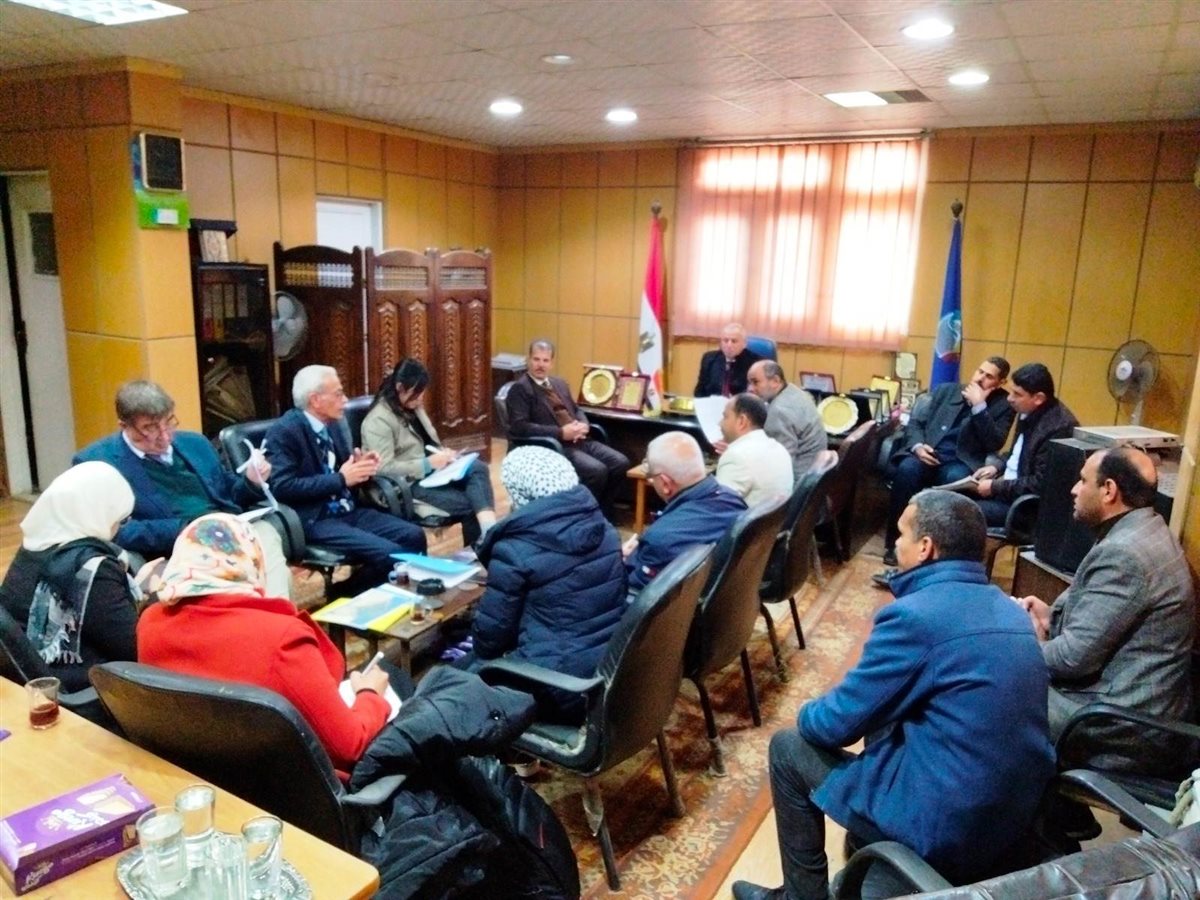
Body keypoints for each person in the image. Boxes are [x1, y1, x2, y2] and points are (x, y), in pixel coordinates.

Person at [733, 491, 1054, 900]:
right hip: (1011, 818)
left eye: (901, 534)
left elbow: (833, 725)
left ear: (925, 547)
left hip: (949, 827)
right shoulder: (1011, 610)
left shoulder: (916, 617)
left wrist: (805, 710)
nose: (895, 543)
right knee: (891, 715)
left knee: (787, 748)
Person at [137, 513, 410, 773]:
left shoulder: (149, 622)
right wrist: (370, 696)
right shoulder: (280, 637)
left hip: (209, 771)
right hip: (301, 782)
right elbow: (349, 747)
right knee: (398, 684)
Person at [1018, 447, 1195, 776]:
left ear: (1109, 490)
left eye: (1083, 480)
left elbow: (1071, 659)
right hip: (1125, 705)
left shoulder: (1125, 554)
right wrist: (1050, 617)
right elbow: (1103, 625)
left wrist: (1015, 643)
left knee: (994, 690)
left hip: (1119, 727)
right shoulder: (1143, 529)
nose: (1074, 489)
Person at [74, 380, 292, 597]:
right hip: (177, 547)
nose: (165, 436)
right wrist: (185, 528)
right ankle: (272, 613)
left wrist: (252, 481)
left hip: (228, 529)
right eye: (150, 428)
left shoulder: (196, 443)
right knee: (251, 577)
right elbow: (111, 531)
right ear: (125, 426)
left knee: (266, 533)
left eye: (168, 422)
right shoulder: (98, 462)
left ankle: (275, 613)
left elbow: (230, 494)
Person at [467, 446, 627, 723]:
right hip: (614, 670)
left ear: (517, 493)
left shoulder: (515, 548)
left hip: (556, 688)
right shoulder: (606, 529)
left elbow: (489, 641)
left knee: (449, 682)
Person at [266, 365, 426, 594]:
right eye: (339, 394)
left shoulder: (334, 425)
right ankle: (345, 596)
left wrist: (361, 467)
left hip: (348, 510)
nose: (345, 400)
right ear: (315, 400)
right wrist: (341, 478)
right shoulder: (284, 431)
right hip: (315, 519)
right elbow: (283, 487)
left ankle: (364, 594)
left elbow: (343, 474)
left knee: (414, 536)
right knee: (390, 555)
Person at [0, 461, 140, 692]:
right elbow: (136, 647)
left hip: (35, 678)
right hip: (86, 686)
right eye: (121, 519)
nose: (118, 527)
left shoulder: (35, 544)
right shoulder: (90, 568)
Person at [879, 357, 1014, 566]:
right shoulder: (946, 390)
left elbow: (994, 442)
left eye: (989, 376)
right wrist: (918, 446)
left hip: (960, 461)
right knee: (907, 470)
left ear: (1000, 382)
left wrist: (979, 407)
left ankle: (939, 551)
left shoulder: (1004, 405)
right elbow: (916, 424)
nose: (980, 378)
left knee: (955, 478)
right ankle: (894, 545)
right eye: (980, 371)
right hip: (927, 452)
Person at [360, 358, 497, 547]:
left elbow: (427, 441)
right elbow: (383, 468)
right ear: (400, 388)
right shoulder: (378, 420)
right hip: (407, 485)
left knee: (478, 467)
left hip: (433, 474)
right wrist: (427, 464)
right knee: (472, 502)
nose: (420, 399)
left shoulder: (412, 405)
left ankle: (489, 531)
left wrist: (442, 454)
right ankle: (486, 545)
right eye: (416, 394)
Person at [504, 339, 630, 516]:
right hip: (554, 446)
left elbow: (576, 410)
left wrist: (584, 425)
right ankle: (580, 516)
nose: (540, 365)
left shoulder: (559, 383)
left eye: (545, 360)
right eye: (536, 359)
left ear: (552, 363)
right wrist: (560, 433)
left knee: (620, 462)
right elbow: (519, 427)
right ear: (528, 360)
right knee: (596, 471)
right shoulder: (520, 389)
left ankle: (602, 512)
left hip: (580, 439)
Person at [623, 431, 746, 594]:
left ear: (666, 483)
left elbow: (633, 595)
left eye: (650, 475)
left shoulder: (661, 539)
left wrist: (621, 560)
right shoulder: (733, 500)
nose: (650, 480)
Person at [970, 362, 1078, 526]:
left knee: (963, 513)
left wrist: (995, 487)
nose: (1009, 398)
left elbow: (1041, 484)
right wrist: (997, 467)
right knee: (955, 499)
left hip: (1026, 508)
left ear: (1038, 398)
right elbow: (1019, 454)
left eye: (1017, 394)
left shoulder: (1059, 429)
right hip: (1009, 490)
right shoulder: (1028, 411)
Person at [747, 361, 826, 481]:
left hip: (796, 481)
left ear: (775, 381)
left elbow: (779, 464)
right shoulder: (794, 391)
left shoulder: (780, 411)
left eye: (755, 382)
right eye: (749, 383)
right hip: (812, 475)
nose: (750, 389)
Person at [715, 393, 794, 507]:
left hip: (744, 519)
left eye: (725, 417)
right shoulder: (779, 449)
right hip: (776, 518)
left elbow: (716, 508)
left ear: (742, 421)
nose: (720, 423)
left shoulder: (737, 457)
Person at [694, 323, 763, 398]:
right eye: (726, 340)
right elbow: (700, 390)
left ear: (744, 344)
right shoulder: (709, 358)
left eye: (734, 341)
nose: (729, 345)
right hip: (712, 403)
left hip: (741, 404)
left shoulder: (757, 363)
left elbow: (757, 394)